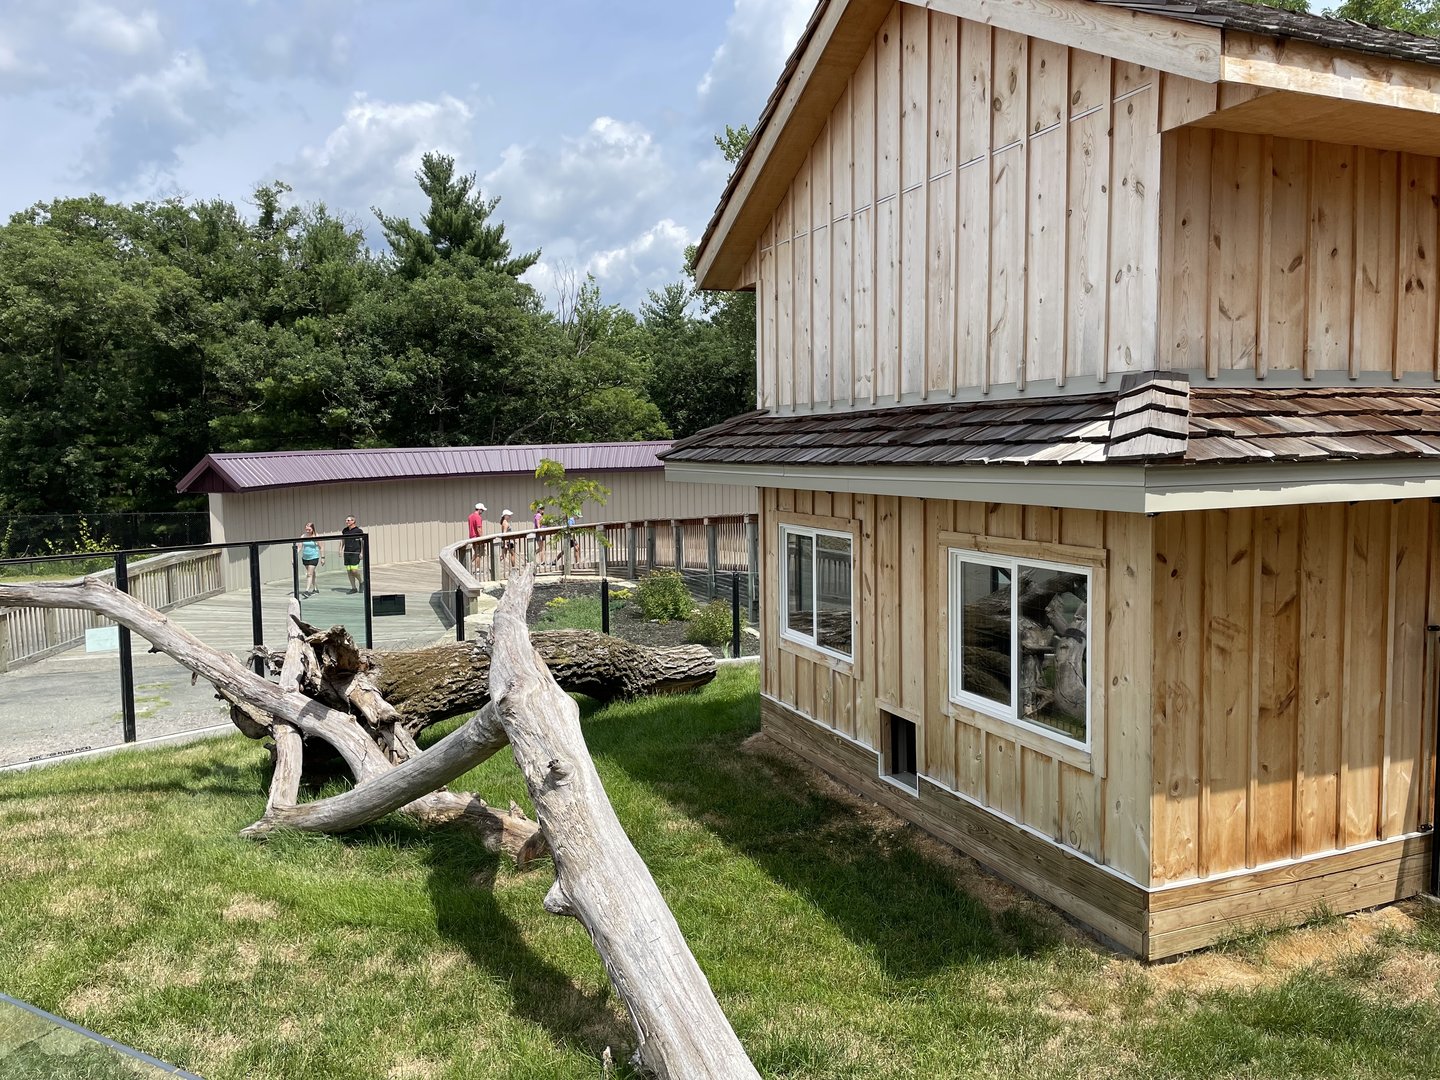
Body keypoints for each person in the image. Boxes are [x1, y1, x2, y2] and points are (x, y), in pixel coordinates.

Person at [296, 522, 323, 597]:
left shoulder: (316, 536)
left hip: (314, 557)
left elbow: (321, 547)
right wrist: (294, 557)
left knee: (309, 574)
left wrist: (322, 557)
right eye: (306, 528)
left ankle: (307, 590)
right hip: (305, 558)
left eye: (309, 529)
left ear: (312, 529)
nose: (307, 530)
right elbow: (299, 547)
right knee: (312, 573)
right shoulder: (303, 536)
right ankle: (315, 588)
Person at [340, 515, 365, 593]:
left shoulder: (359, 531)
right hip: (347, 552)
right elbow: (342, 540)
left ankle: (361, 582)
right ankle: (353, 588)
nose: (346, 522)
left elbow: (362, 542)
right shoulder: (345, 530)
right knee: (349, 571)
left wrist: (361, 552)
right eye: (346, 520)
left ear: (353, 521)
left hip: (355, 552)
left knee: (354, 571)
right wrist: (340, 549)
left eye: (348, 520)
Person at [468, 502, 486, 572]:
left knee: (476, 553)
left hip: (472, 537)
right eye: (482, 510)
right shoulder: (478, 517)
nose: (482, 512)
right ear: (479, 510)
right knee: (478, 553)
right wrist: (482, 539)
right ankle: (478, 570)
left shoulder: (470, 516)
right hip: (477, 538)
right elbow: (479, 529)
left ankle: (468, 563)